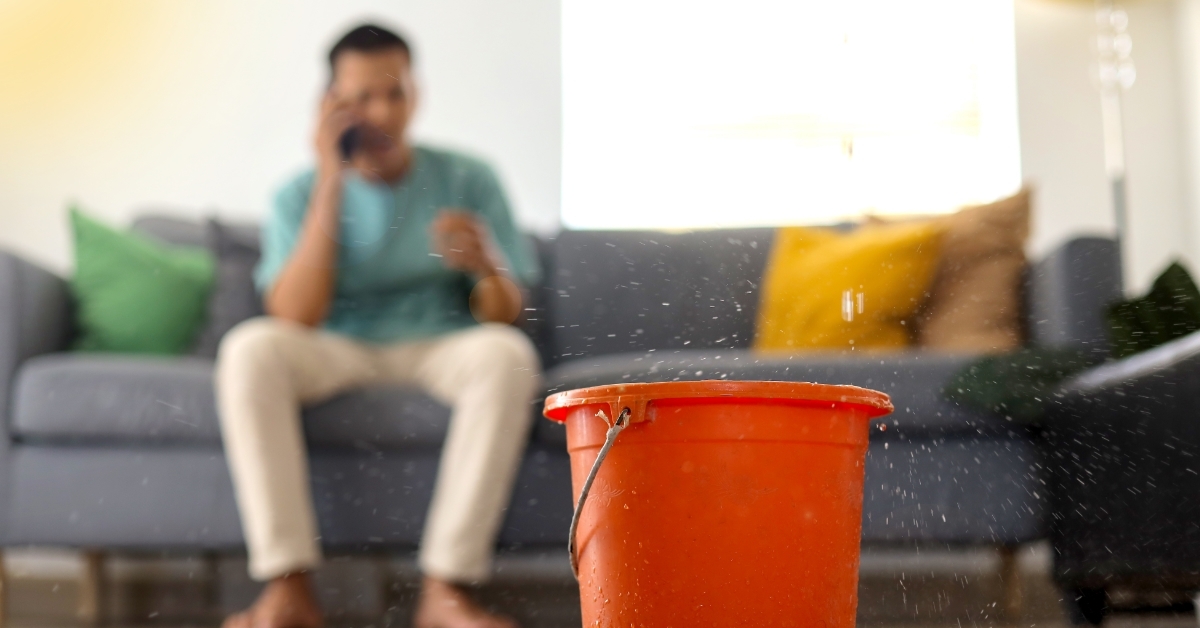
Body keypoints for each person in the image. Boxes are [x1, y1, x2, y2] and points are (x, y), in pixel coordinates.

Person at [216, 23, 540, 628]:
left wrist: (487, 266)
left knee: (508, 354)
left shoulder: (469, 178)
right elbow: (295, 315)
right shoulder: (298, 194)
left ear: (416, 93)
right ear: (332, 103)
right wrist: (330, 177)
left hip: (439, 344)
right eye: (364, 97)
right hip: (335, 346)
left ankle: (444, 591)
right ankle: (288, 589)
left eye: (396, 93)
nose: (384, 112)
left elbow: (503, 313)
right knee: (249, 349)